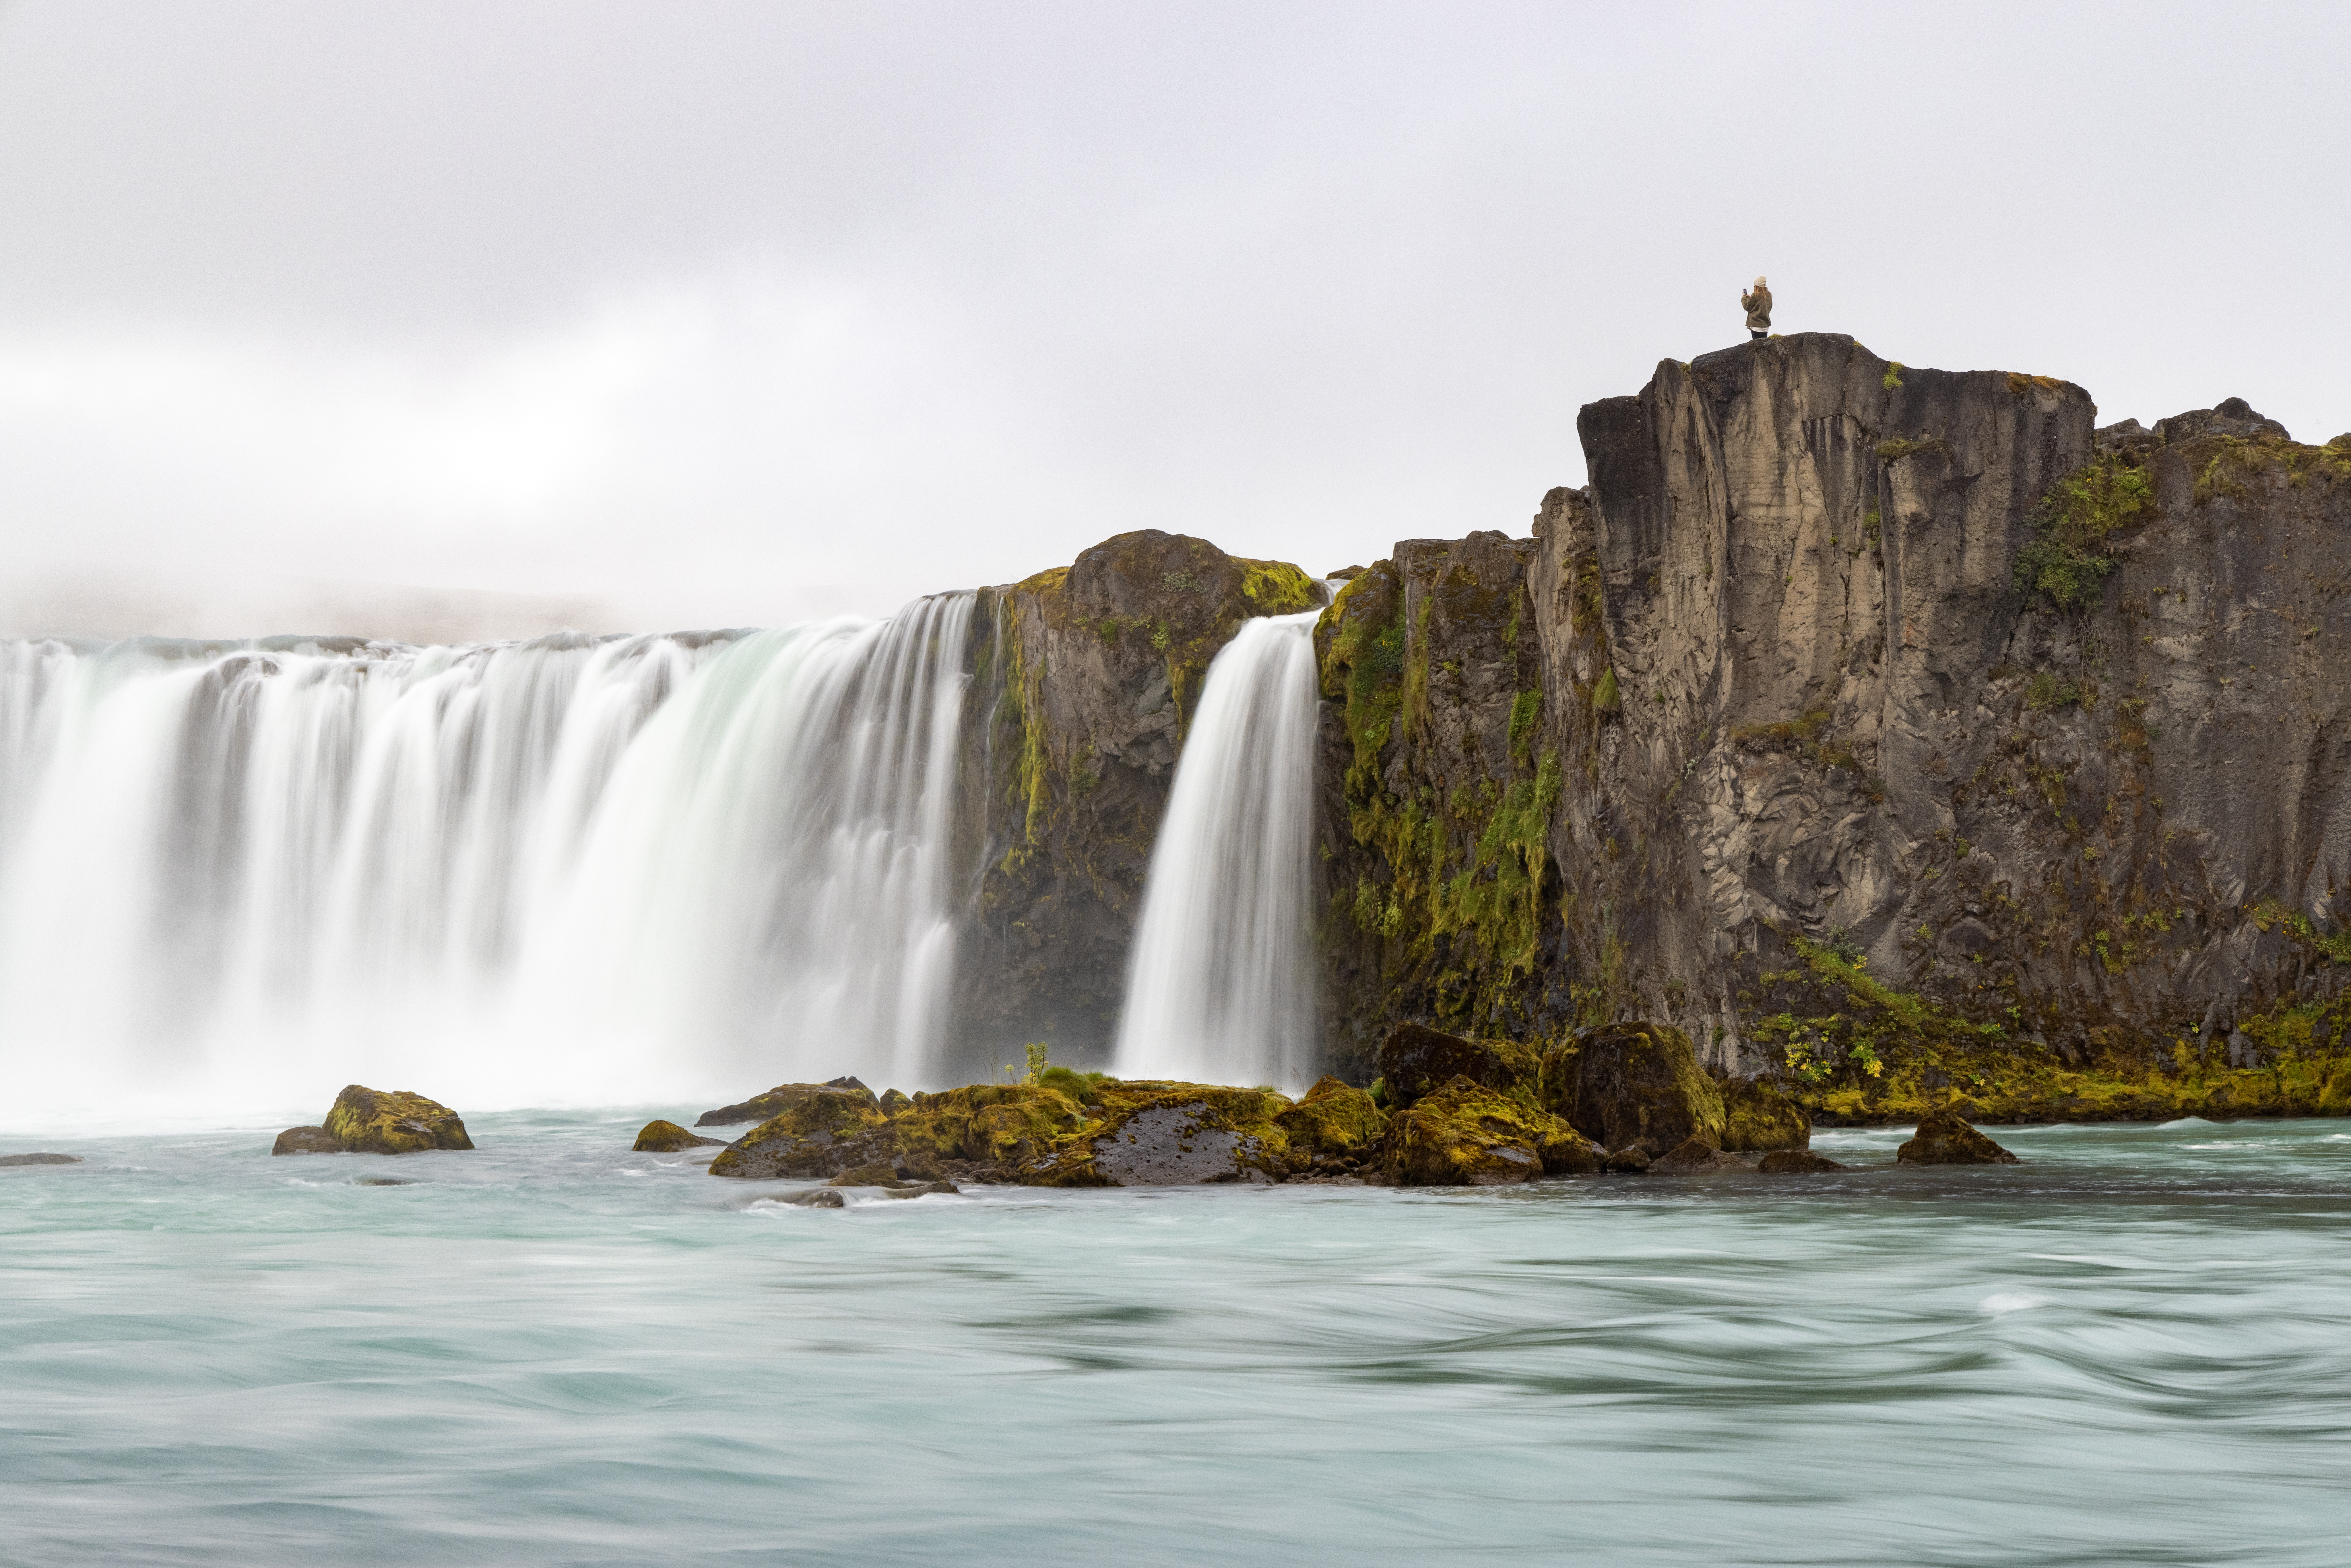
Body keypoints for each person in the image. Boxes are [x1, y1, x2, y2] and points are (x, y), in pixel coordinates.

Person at [1741, 276, 1772, 340]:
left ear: (1757, 286)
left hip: (1756, 326)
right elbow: (1762, 306)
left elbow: (1747, 306)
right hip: (1765, 326)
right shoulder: (1769, 295)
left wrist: (1744, 298)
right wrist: (1751, 298)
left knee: (1758, 347)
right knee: (1764, 347)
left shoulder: (1756, 295)